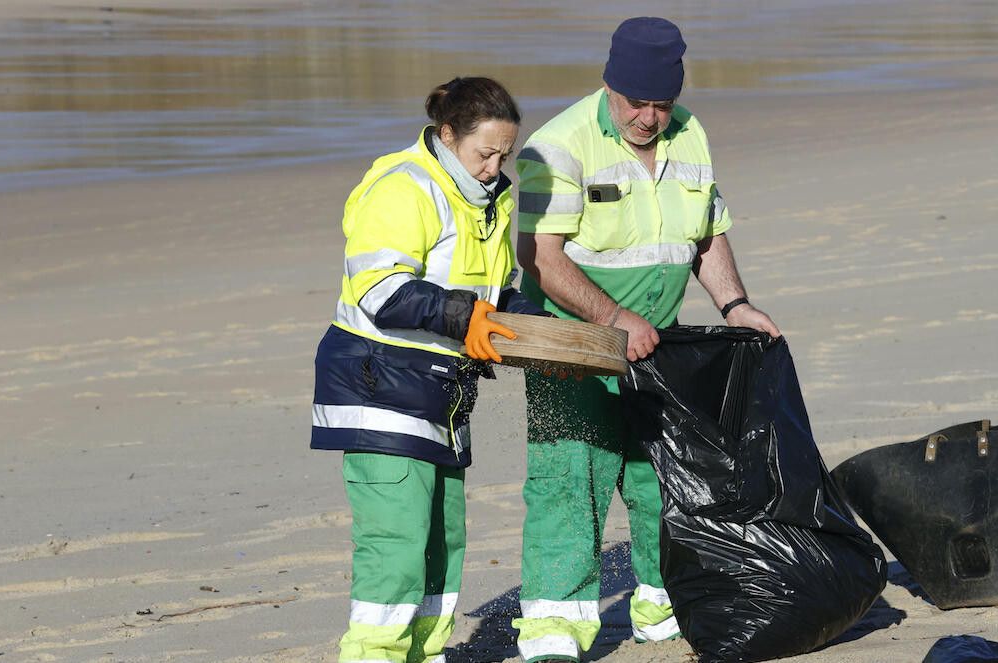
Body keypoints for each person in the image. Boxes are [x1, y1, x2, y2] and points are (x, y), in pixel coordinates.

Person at [510, 17, 780, 663]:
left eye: (662, 103)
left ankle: (661, 611)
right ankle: (553, 636)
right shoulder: (559, 145)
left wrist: (734, 302)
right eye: (638, 103)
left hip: (657, 349)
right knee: (570, 484)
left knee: (663, 479)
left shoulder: (691, 134)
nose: (650, 117)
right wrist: (612, 319)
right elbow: (540, 257)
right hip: (574, 347)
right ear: (611, 83)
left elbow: (707, 230)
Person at [310, 76, 548, 663]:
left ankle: (424, 654)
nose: (495, 166)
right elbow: (380, 289)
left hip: (444, 397)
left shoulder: (493, 198)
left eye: (504, 154)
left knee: (444, 543)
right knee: (395, 546)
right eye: (483, 153)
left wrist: (540, 329)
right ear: (447, 135)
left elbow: (495, 291)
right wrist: (468, 316)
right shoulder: (404, 187)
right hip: (378, 386)